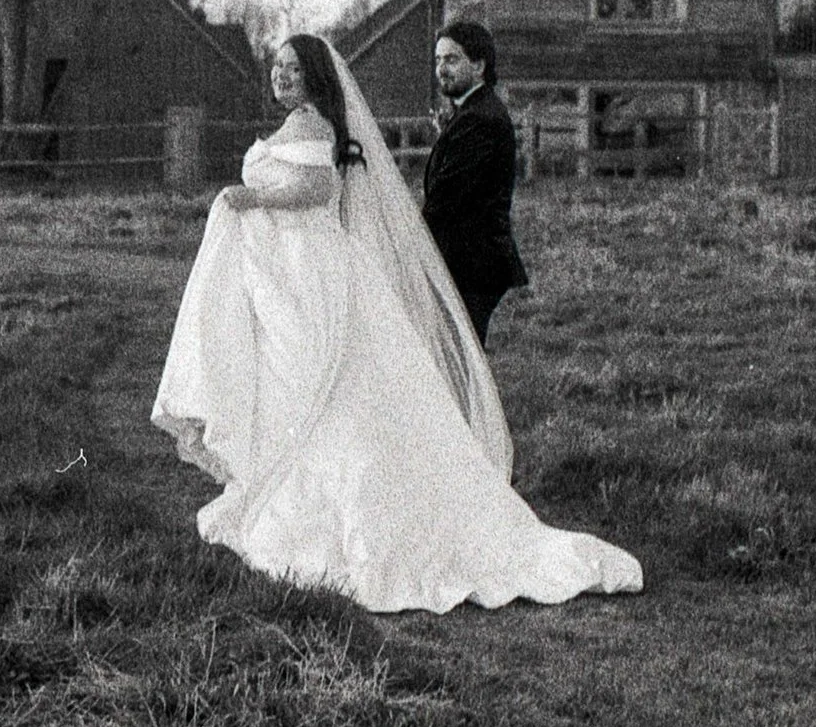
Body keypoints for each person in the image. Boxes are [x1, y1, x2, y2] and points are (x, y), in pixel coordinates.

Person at [150, 33, 642, 614]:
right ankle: (289, 495)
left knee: (321, 389)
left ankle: (341, 520)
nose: (281, 77)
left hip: (309, 273)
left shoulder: (311, 124)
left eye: (292, 68)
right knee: (306, 389)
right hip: (289, 273)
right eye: (276, 68)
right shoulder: (303, 122)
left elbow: (318, 186)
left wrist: (251, 199)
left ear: (314, 77)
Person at [423, 21, 528, 347]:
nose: (441, 69)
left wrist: (408, 243)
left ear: (479, 65)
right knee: (459, 358)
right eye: (438, 60)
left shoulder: (478, 119)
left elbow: (446, 197)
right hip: (472, 259)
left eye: (452, 60)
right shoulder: (473, 112)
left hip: (471, 263)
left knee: (460, 360)